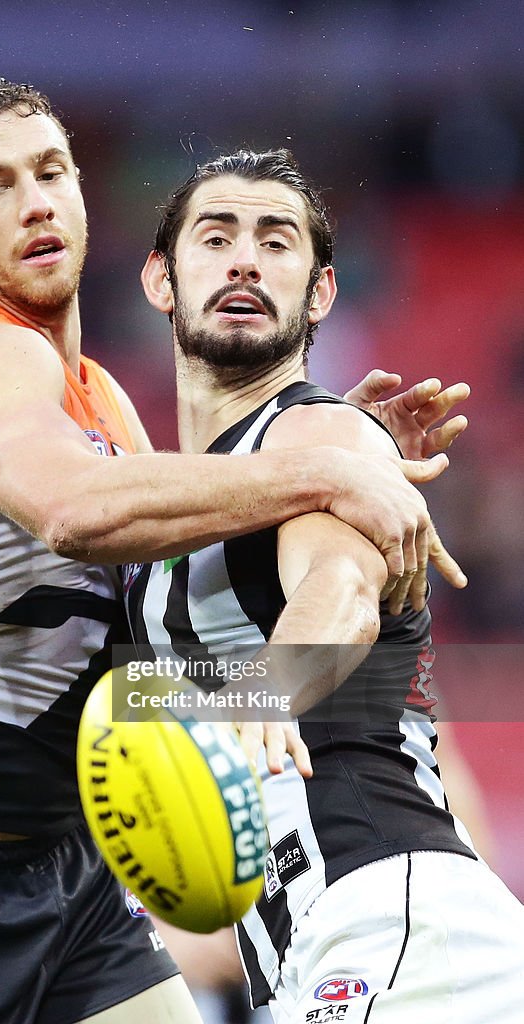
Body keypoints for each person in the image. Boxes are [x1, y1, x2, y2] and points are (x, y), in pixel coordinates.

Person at [0, 80, 467, 1024]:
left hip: (69, 875)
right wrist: (331, 477)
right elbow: (74, 511)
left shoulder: (101, 397)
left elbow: (175, 582)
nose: (34, 202)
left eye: (52, 172)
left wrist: (338, 442)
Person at [130, 147, 524, 1022]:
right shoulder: (205, 491)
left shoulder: (322, 441)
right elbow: (160, 687)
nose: (244, 258)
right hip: (320, 945)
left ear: (321, 295)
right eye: (216, 236)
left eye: (276, 242)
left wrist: (277, 690)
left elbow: (338, 592)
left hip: (391, 916)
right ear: (160, 278)